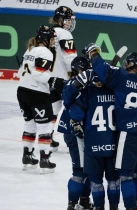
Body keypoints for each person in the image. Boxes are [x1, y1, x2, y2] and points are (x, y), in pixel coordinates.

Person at [83, 43, 137, 210]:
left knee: (126, 175)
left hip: (129, 133)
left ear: (131, 65)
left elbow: (102, 70)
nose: (125, 64)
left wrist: (94, 53)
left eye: (127, 62)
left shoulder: (121, 77)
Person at [69, 64, 121, 210]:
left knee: (96, 180)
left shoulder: (88, 92)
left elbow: (75, 114)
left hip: (93, 144)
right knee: (113, 179)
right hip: (114, 144)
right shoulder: (117, 91)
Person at [18, 25, 63, 174]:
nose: (52, 41)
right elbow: (39, 75)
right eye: (51, 38)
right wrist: (57, 82)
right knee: (45, 126)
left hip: (22, 91)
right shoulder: (45, 52)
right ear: (44, 38)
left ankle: (27, 157)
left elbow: (20, 72)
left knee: (29, 124)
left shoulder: (30, 49)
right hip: (37, 93)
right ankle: (45, 159)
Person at [58, 56, 93, 210]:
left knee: (88, 170)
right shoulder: (72, 85)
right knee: (79, 171)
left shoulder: (81, 84)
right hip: (74, 132)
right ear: (79, 71)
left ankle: (84, 201)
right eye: (85, 69)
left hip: (81, 131)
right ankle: (72, 206)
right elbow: (70, 98)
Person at [48, 6, 78, 152]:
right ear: (59, 19)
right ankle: (77, 139)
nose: (69, 24)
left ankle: (46, 136)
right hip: (61, 79)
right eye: (67, 20)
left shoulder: (46, 32)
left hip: (47, 78)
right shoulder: (65, 34)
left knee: (54, 108)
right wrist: (79, 71)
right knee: (76, 106)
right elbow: (70, 59)